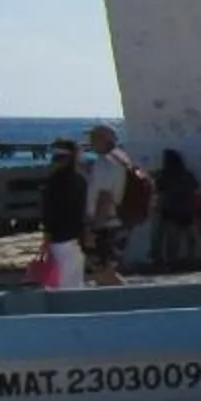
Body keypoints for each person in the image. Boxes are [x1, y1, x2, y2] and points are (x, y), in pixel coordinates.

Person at [82, 122, 135, 284]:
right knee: (105, 272)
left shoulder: (104, 162)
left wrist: (94, 230)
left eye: (93, 138)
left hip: (105, 225)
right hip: (118, 221)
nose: (90, 142)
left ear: (103, 140)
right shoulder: (122, 159)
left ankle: (127, 296)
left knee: (103, 271)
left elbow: (104, 197)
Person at [38, 137, 88, 292]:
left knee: (60, 283)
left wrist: (46, 238)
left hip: (60, 237)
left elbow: (50, 213)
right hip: (78, 237)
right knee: (75, 281)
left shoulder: (55, 181)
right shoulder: (81, 179)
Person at [153, 148, 201, 267]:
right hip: (186, 209)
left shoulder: (164, 175)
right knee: (191, 238)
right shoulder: (187, 174)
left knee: (173, 239)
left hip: (170, 209)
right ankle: (191, 259)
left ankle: (172, 261)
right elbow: (196, 187)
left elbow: (159, 189)